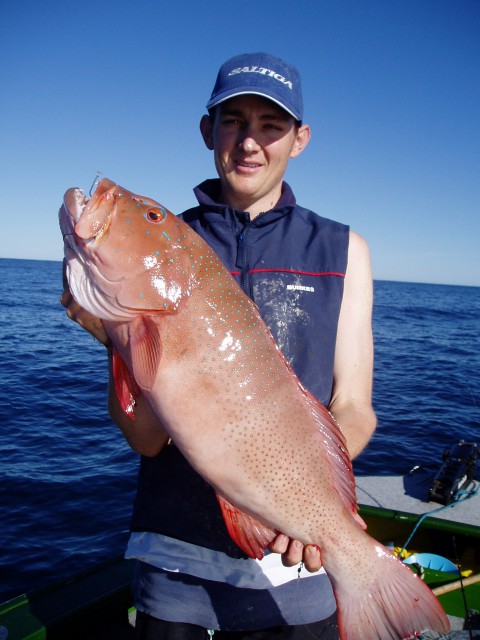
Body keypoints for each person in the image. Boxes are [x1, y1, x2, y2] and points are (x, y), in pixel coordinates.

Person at [62, 52, 376, 639]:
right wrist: (116, 339)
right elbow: (146, 437)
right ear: (208, 130)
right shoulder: (179, 241)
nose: (249, 142)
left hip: (297, 568)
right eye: (233, 120)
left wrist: (313, 503)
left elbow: (354, 406)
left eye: (270, 125)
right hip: (175, 565)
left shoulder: (345, 251)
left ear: (299, 139)